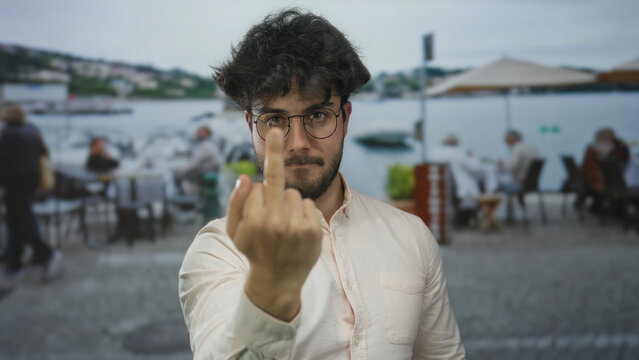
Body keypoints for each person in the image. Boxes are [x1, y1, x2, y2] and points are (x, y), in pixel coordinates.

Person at [178, 9, 465, 359]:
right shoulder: (219, 250)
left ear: (344, 118)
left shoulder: (411, 235)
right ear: (250, 126)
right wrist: (268, 292)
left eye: (317, 115)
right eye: (275, 119)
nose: (297, 141)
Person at [0, 104, 62, 282]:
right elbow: (44, 153)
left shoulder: (8, 134)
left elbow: (3, 162)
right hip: (31, 181)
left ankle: (44, 253)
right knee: (19, 220)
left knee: (18, 221)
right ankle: (15, 262)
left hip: (14, 183)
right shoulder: (32, 130)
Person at [578, 127, 630, 213]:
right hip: (600, 183)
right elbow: (624, 156)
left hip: (592, 181)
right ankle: (618, 206)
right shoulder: (600, 150)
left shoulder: (592, 149)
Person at [173, 125, 222, 195]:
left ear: (207, 133)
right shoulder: (211, 145)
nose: (198, 134)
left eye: (201, 132)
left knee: (177, 175)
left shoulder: (206, 146)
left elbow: (192, 165)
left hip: (200, 181)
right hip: (205, 179)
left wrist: (178, 172)